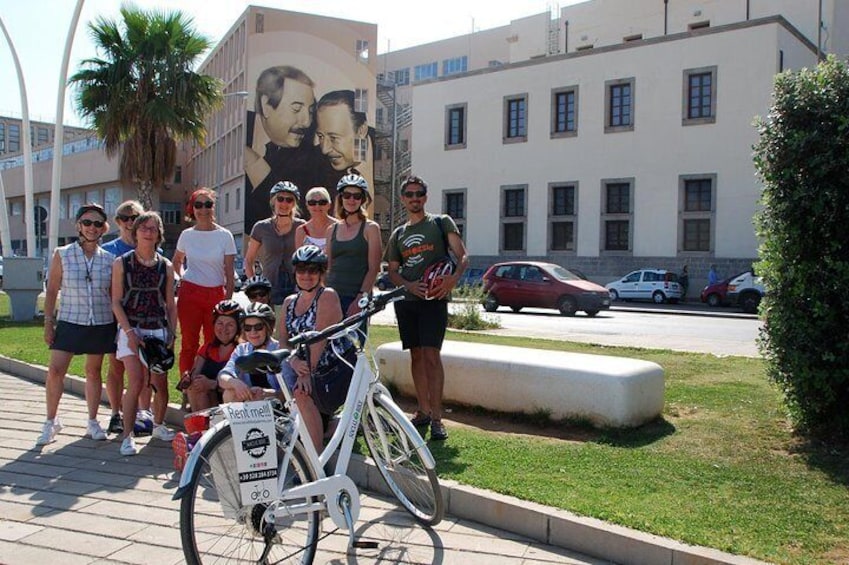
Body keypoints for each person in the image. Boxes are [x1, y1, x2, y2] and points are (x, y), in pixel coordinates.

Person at [386, 175, 469, 441]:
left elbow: (462, 255)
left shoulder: (440, 222)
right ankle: (422, 411)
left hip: (434, 302)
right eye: (409, 194)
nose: (414, 198)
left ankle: (437, 418)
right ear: (403, 198)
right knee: (416, 356)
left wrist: (452, 279)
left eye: (418, 193)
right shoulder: (399, 234)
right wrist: (409, 286)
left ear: (425, 196)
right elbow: (393, 273)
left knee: (433, 357)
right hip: (408, 303)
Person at [38, 204, 116, 445]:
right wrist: (48, 323)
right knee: (55, 371)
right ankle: (51, 421)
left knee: (93, 372)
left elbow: (113, 295)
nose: (92, 228)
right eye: (87, 223)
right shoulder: (62, 254)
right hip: (70, 320)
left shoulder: (110, 259)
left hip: (100, 321)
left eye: (97, 223)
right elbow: (51, 291)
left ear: (103, 228)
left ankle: (92, 421)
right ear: (78, 225)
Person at [111, 212, 178, 456]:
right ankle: (127, 435)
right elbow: (116, 302)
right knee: (136, 381)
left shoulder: (166, 265)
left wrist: (172, 333)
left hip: (157, 328)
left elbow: (170, 304)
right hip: (132, 327)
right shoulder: (122, 263)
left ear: (159, 234)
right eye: (144, 228)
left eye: (153, 229)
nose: (148, 232)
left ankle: (159, 424)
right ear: (135, 231)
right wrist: (129, 332)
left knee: (159, 381)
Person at [280, 245, 353, 450]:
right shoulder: (289, 303)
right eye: (301, 270)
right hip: (301, 365)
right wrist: (293, 361)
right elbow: (283, 340)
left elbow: (319, 340)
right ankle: (326, 429)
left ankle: (316, 463)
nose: (306, 275)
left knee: (302, 394)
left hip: (331, 368)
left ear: (321, 272)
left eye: (313, 270)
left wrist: (307, 374)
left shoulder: (327, 296)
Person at [244, 65, 328, 227]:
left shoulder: (312, 159)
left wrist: (256, 165)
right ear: (266, 106)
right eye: (296, 108)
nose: (306, 121)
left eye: (310, 111)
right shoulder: (238, 132)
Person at [172, 189, 237, 375]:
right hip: (190, 294)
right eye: (198, 205)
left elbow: (230, 274)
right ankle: (187, 389)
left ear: (213, 207)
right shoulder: (186, 235)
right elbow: (177, 261)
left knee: (214, 342)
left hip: (216, 295)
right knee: (188, 343)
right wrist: (182, 277)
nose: (203, 209)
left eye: (208, 204)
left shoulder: (225, 236)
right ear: (192, 209)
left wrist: (228, 302)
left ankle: (211, 387)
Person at [101, 200, 151, 435]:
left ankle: (142, 414)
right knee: (116, 366)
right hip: (115, 316)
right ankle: (115, 414)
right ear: (118, 221)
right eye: (125, 218)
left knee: (143, 368)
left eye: (135, 218)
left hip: (145, 318)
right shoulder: (109, 251)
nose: (130, 222)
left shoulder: (152, 248)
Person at [325, 173, 382, 317]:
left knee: (354, 339)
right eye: (347, 195)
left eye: (357, 196)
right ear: (341, 198)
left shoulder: (371, 228)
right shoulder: (332, 229)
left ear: (362, 199)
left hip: (357, 296)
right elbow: (328, 267)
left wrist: (360, 297)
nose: (351, 199)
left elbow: (374, 268)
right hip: (332, 297)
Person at [244, 181, 306, 309]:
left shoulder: (301, 227)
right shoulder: (261, 227)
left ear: (294, 204)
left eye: (289, 200)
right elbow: (249, 259)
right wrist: (255, 285)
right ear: (273, 201)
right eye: (280, 199)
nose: (284, 203)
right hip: (269, 290)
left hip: (296, 288)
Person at [179, 300, 241, 411]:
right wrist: (189, 378)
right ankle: (200, 425)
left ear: (238, 327)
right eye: (220, 323)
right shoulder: (207, 348)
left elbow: (241, 384)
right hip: (206, 399)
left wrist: (212, 384)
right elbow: (195, 372)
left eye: (230, 325)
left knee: (204, 388)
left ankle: (207, 425)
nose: (224, 329)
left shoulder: (241, 350)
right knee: (195, 386)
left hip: (230, 402)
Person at [218, 302, 283, 402]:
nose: (253, 332)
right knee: (229, 393)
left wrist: (270, 394)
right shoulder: (241, 350)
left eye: (258, 327)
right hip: (251, 405)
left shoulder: (280, 350)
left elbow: (291, 389)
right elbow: (222, 376)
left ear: (268, 328)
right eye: (248, 328)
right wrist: (235, 383)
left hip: (279, 405)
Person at [315, 90, 373, 175]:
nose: (324, 150)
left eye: (333, 138)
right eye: (321, 136)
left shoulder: (389, 151)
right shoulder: (312, 164)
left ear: (361, 131)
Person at [294, 186, 337, 252]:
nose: (317, 206)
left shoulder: (339, 227)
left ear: (329, 205)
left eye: (322, 202)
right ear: (307, 206)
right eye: (312, 203)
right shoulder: (301, 231)